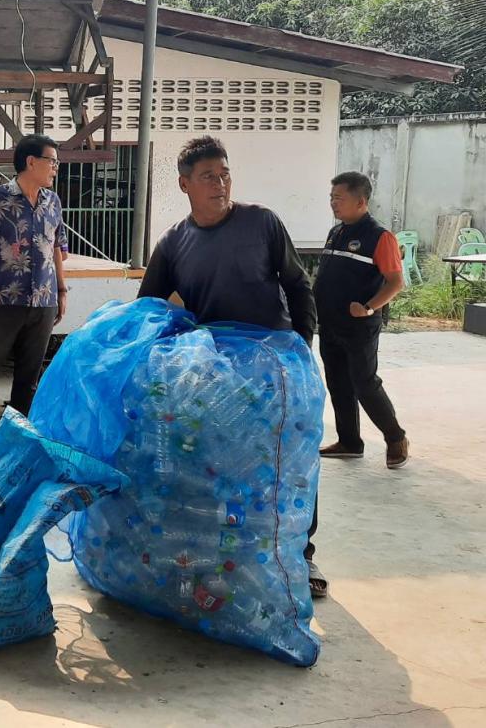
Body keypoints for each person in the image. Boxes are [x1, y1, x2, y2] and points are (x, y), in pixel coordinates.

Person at [137, 136, 327, 598]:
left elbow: (297, 283)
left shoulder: (262, 223)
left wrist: (302, 344)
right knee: (222, 462)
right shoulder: (173, 243)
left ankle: (301, 553)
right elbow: (147, 308)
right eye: (208, 177)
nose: (220, 184)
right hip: (216, 374)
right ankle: (233, 549)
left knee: (290, 459)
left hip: (274, 364)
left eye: (224, 175)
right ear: (185, 185)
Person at [0, 134, 69, 416]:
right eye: (52, 161)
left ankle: (19, 434)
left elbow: (57, 248)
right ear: (31, 162)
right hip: (4, 302)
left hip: (44, 302)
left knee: (29, 379)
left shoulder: (53, 201)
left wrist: (61, 290)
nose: (56, 168)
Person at [315, 171, 409, 468]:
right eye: (331, 198)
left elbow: (395, 282)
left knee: (364, 383)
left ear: (361, 201)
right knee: (338, 383)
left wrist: (369, 307)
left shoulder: (380, 237)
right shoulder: (336, 232)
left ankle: (395, 438)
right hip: (330, 323)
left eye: (339, 198)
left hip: (359, 326)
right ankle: (350, 442)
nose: (333, 203)